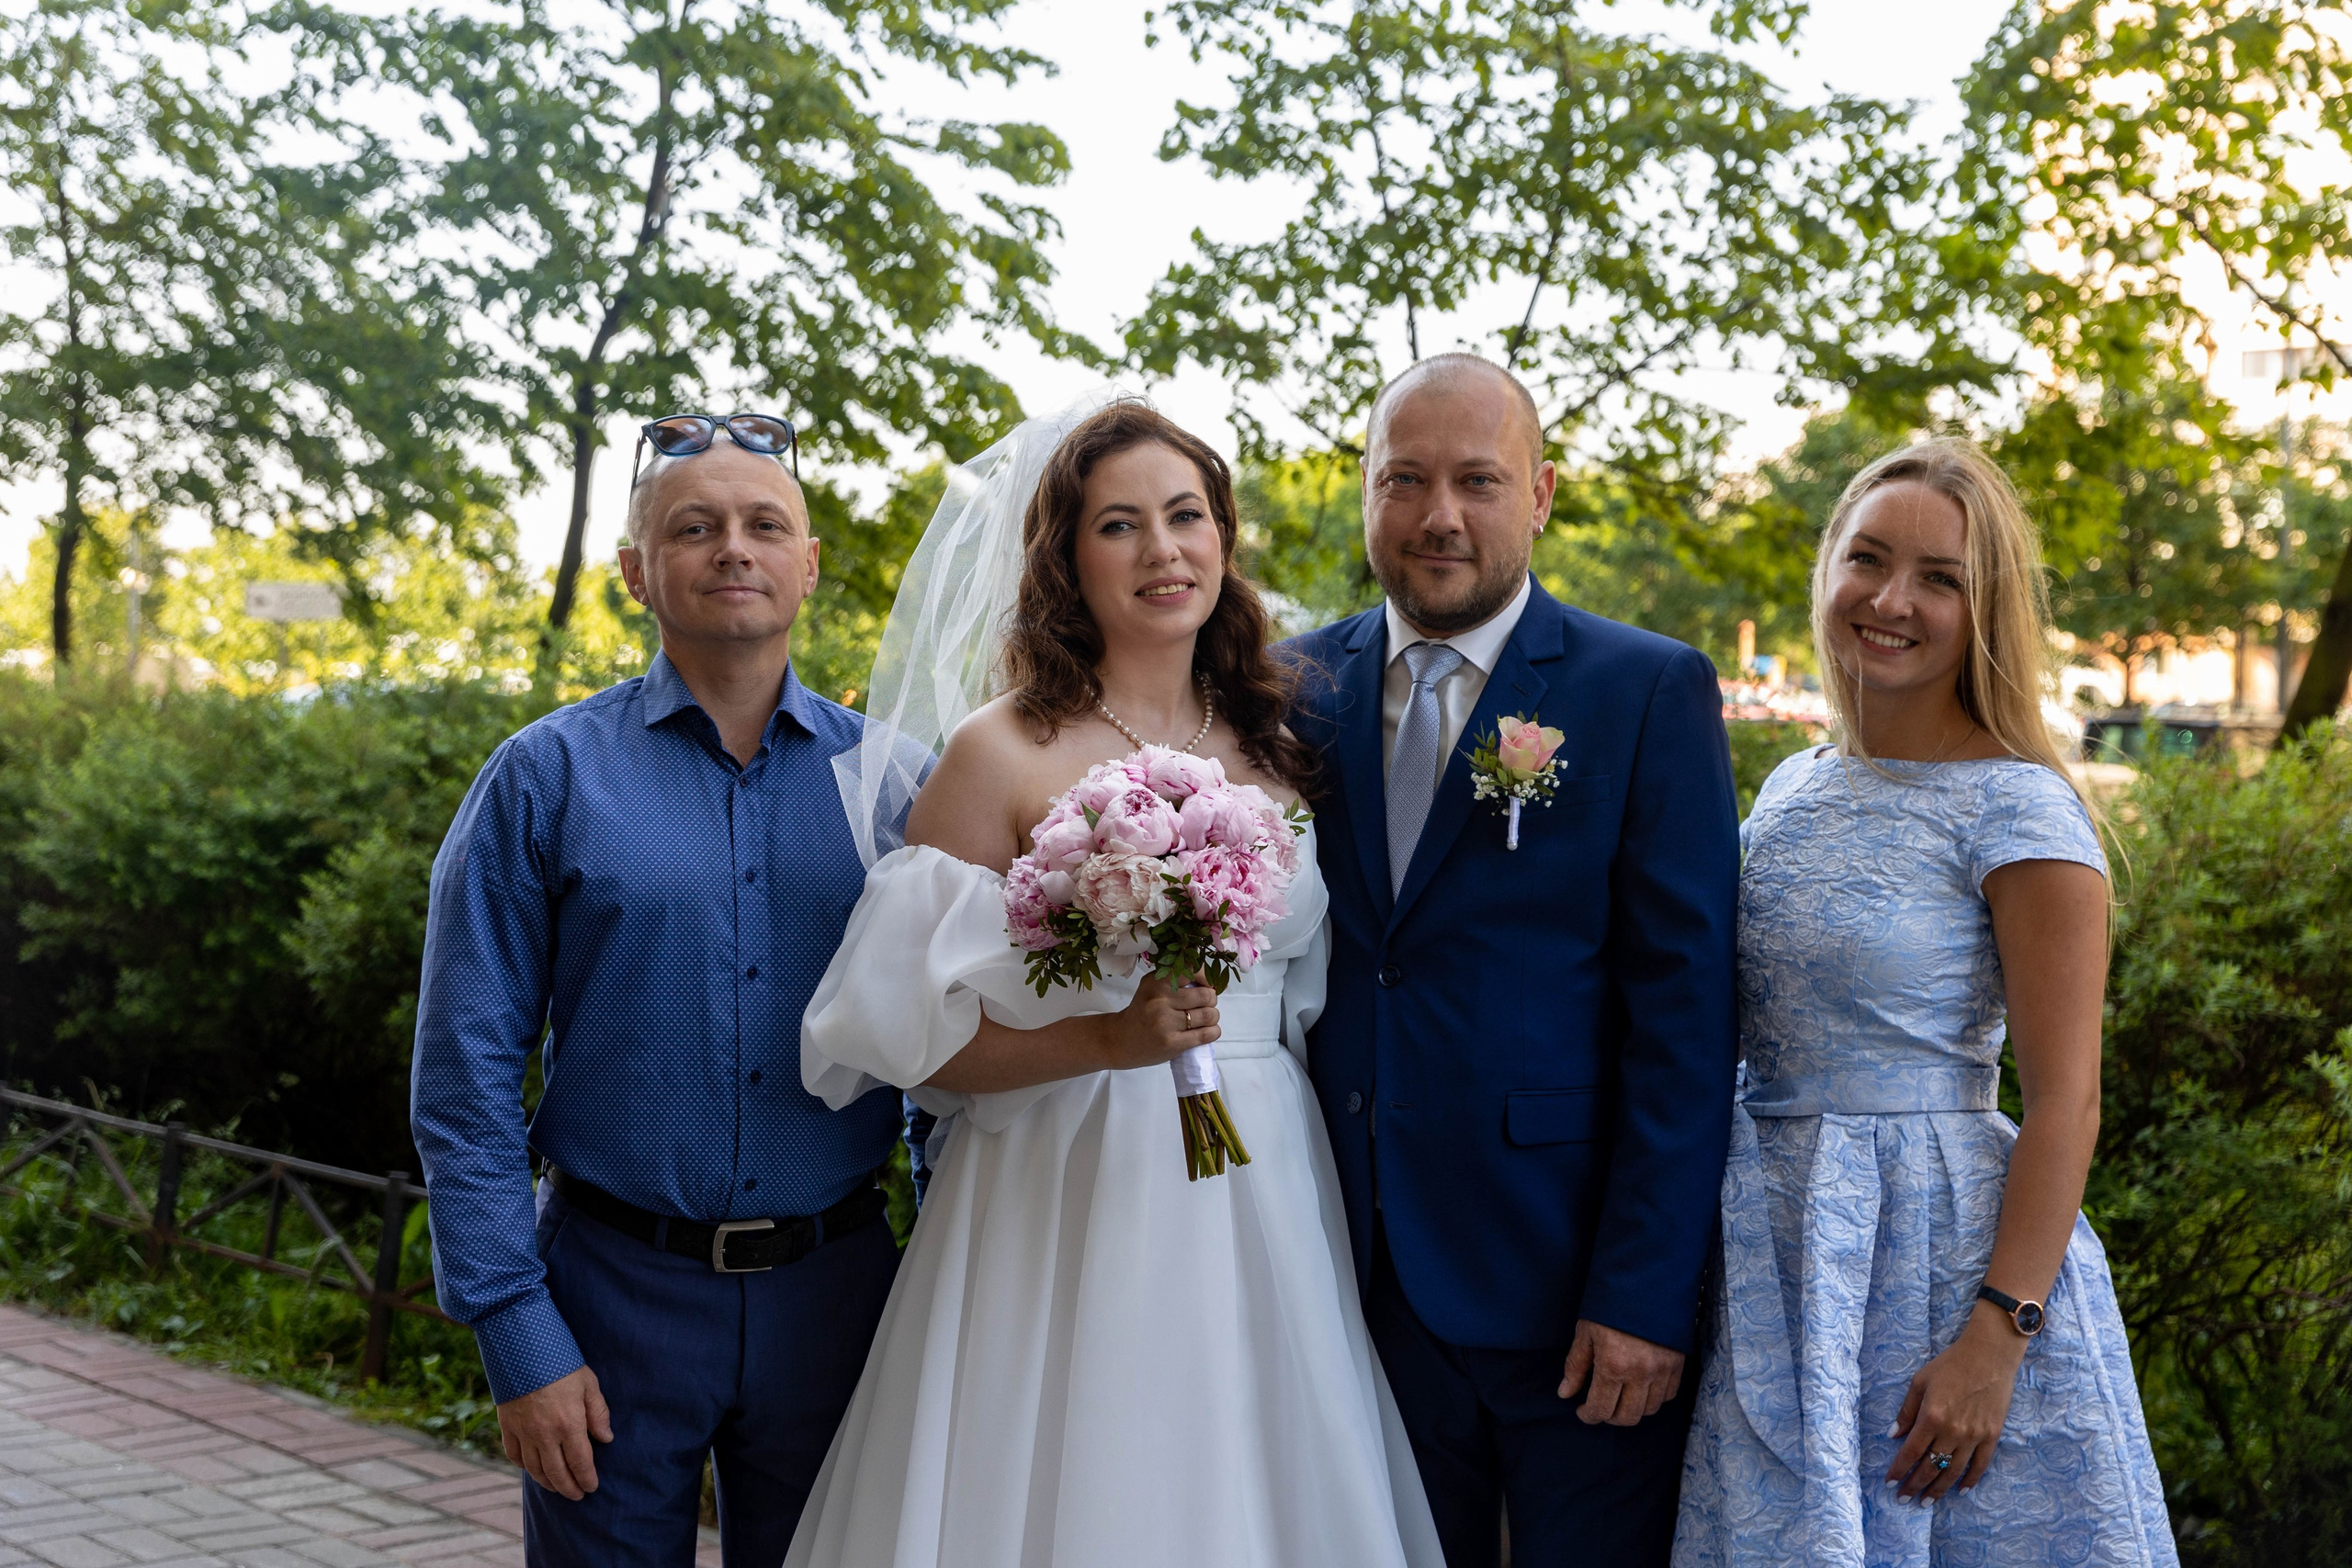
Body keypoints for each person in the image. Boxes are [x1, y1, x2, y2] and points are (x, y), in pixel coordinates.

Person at [789, 397, 1442, 1566]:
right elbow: (894, 1034)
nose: (1162, 550)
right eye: (1119, 525)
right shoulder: (1003, 751)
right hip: (1062, 1176)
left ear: (1223, 539)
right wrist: (1105, 1042)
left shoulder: (1280, 742)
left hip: (1261, 1171)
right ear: (1065, 559)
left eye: (1186, 516)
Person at [1671, 440, 2177, 1565]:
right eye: (1868, 560)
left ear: (1985, 608)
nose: (1892, 600)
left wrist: (1995, 1339)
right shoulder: (1792, 783)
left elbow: (2065, 1103)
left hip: (1939, 1259)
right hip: (1775, 1249)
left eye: (1939, 578)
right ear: (1827, 574)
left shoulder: (2020, 811)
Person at [412, 414, 903, 1566]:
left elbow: (941, 1060)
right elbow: (463, 1073)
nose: (733, 547)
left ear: (808, 562)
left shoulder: (892, 788)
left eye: (763, 524)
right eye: (695, 527)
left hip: (842, 1300)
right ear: (637, 572)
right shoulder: (542, 778)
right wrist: (516, 1332)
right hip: (609, 1299)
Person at [1282, 354, 1742, 1567]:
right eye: (1407, 479)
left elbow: (1685, 1020)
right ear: (1365, 494)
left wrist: (1644, 1293)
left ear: (1538, 493)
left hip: (1570, 1294)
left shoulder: (1644, 688)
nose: (1441, 514)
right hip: (1344, 1273)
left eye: (1478, 480)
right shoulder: (1285, 688)